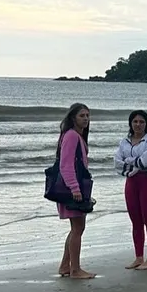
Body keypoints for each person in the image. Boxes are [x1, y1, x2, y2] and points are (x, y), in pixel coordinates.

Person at [114, 110, 147, 270]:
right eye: (135, 121)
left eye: (142, 122)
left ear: (146, 124)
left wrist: (130, 162)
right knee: (135, 221)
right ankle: (138, 257)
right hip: (131, 183)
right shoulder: (124, 142)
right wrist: (133, 165)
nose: (138, 124)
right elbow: (117, 162)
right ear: (130, 123)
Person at [56, 102, 96, 279]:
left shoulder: (76, 135)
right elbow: (65, 165)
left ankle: (65, 265)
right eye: (82, 115)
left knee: (76, 228)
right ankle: (75, 270)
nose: (86, 119)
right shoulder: (71, 135)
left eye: (87, 115)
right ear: (73, 118)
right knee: (78, 227)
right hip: (73, 189)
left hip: (76, 187)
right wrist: (74, 188)